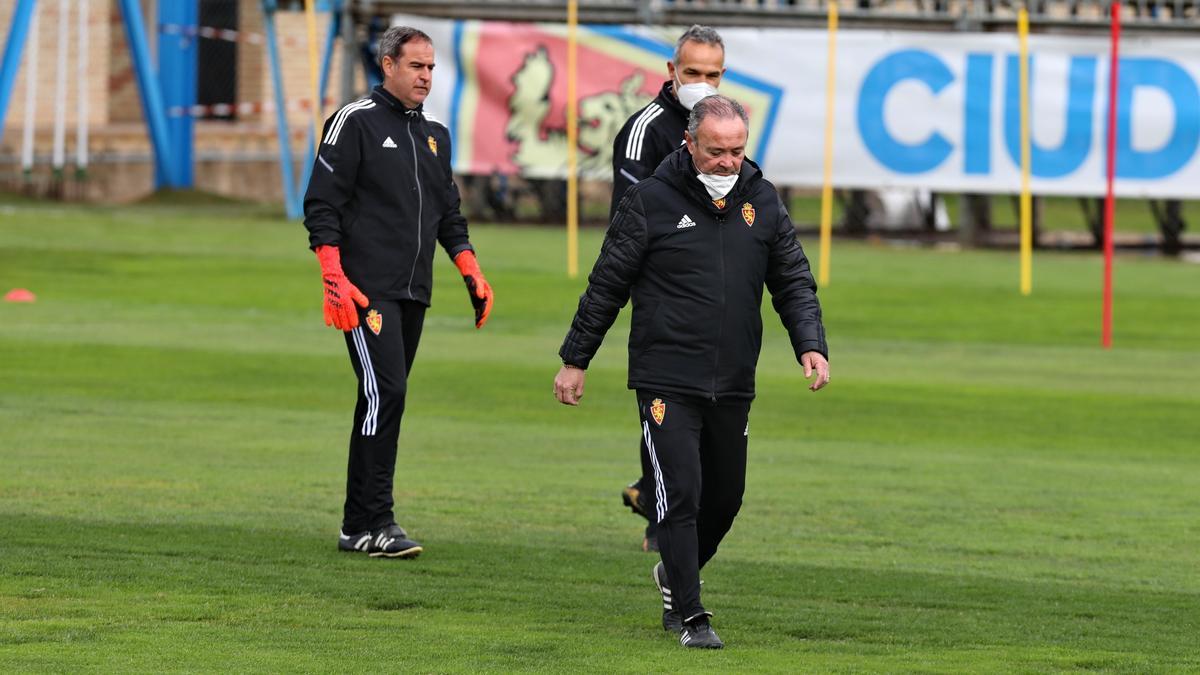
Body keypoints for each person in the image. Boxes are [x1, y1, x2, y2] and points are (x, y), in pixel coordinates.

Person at [554, 95, 829, 649]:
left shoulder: (763, 201)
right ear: (690, 144)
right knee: (680, 495)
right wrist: (575, 359)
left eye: (737, 151)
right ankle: (692, 615)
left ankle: (674, 574)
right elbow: (607, 284)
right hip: (665, 376)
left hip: (733, 378)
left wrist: (810, 345)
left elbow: (793, 280)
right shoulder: (650, 201)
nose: (728, 162)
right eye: (716, 151)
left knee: (726, 498)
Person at [303, 26, 494, 560]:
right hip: (365, 291)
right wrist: (333, 276)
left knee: (383, 398)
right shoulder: (353, 121)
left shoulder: (435, 131)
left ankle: (355, 526)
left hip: (414, 290)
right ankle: (376, 520)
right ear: (388, 65)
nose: (426, 77)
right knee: (386, 394)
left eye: (432, 68)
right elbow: (321, 205)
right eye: (417, 67)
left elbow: (447, 212)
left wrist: (470, 269)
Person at [609, 24, 727, 553]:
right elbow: (628, 224)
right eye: (694, 72)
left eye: (713, 74)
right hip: (661, 288)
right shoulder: (644, 132)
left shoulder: (724, 126)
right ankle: (663, 519)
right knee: (669, 397)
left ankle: (652, 491)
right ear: (672, 72)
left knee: (704, 401)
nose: (703, 83)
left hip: (714, 289)